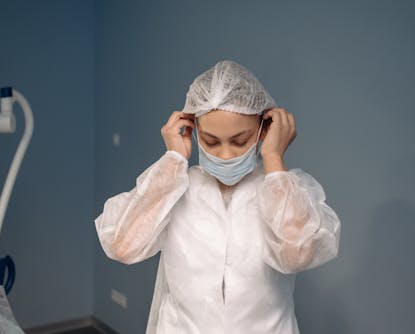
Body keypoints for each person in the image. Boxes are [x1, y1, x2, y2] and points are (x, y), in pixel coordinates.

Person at [94, 60, 341, 334]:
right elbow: (121, 245)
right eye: (211, 141)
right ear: (194, 130)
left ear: (263, 130)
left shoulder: (283, 191)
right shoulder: (174, 188)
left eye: (240, 140)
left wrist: (273, 158)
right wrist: (173, 159)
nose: (225, 154)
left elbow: (300, 255)